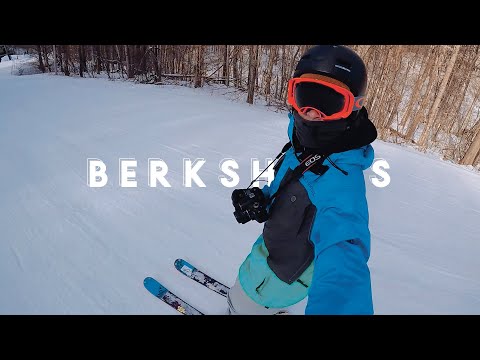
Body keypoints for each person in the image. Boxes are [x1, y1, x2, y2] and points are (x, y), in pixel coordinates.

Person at [228, 45, 378, 315]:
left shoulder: (343, 182)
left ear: (353, 108)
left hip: (281, 276)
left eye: (329, 103)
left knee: (240, 303)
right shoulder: (302, 146)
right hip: (270, 250)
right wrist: (263, 198)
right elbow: (291, 186)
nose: (311, 114)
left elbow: (344, 254)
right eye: (304, 96)